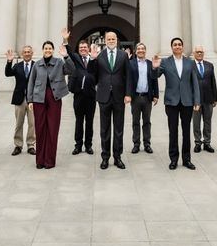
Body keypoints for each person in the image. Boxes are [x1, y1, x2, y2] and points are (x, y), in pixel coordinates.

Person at [152, 37, 201, 170]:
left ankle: (187, 160)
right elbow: (155, 76)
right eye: (175, 45)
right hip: (171, 102)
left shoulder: (190, 62)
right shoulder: (166, 62)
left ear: (182, 47)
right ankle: (173, 159)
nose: (178, 46)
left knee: (186, 131)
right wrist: (154, 68)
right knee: (172, 131)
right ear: (172, 47)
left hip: (187, 101)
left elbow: (195, 83)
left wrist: (197, 101)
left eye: (179, 44)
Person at [87, 31, 129, 170]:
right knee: (104, 129)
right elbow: (92, 75)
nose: (111, 40)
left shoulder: (124, 55)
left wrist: (128, 94)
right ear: (105, 40)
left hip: (119, 96)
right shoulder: (99, 56)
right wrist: (92, 60)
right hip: (104, 97)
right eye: (108, 39)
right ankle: (105, 157)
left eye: (113, 38)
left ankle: (117, 157)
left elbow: (128, 76)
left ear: (117, 40)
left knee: (118, 128)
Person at [27, 40, 69, 169]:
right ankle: (40, 160)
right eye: (46, 48)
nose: (48, 50)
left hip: (54, 98)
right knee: (40, 129)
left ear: (53, 50)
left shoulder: (59, 62)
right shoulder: (37, 64)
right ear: (42, 50)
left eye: (50, 48)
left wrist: (66, 56)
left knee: (52, 129)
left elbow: (71, 70)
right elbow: (31, 82)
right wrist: (30, 100)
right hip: (39, 98)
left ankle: (49, 161)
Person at [62, 32, 97, 155]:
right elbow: (69, 52)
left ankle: (88, 145)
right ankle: (78, 145)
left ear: (88, 49)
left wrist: (93, 59)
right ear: (79, 49)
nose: (83, 49)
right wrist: (65, 40)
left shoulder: (93, 59)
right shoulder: (76, 58)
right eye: (81, 47)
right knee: (79, 121)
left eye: (85, 47)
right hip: (78, 95)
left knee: (90, 122)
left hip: (91, 96)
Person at [124, 42, 158, 154]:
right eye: (138, 49)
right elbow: (127, 80)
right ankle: (136, 144)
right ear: (135, 51)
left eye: (143, 48)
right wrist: (128, 94)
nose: (141, 50)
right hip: (136, 97)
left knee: (147, 121)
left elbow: (154, 79)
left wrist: (156, 95)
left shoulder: (150, 63)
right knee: (135, 122)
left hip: (147, 97)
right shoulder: (131, 63)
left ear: (145, 51)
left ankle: (147, 144)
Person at [5, 45, 36, 156]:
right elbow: (8, 73)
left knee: (32, 123)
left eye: (29, 52)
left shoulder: (36, 66)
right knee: (19, 123)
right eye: (25, 52)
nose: (27, 53)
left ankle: (31, 145)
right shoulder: (17, 66)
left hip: (32, 100)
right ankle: (18, 145)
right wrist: (9, 62)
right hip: (19, 99)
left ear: (32, 53)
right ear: (22, 54)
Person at [191, 45, 217, 154]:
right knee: (196, 122)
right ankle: (198, 142)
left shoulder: (209, 65)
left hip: (208, 98)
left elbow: (213, 82)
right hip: (195, 100)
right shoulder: (190, 65)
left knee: (207, 121)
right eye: (197, 52)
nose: (199, 53)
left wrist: (215, 98)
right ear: (194, 53)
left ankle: (207, 142)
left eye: (201, 52)